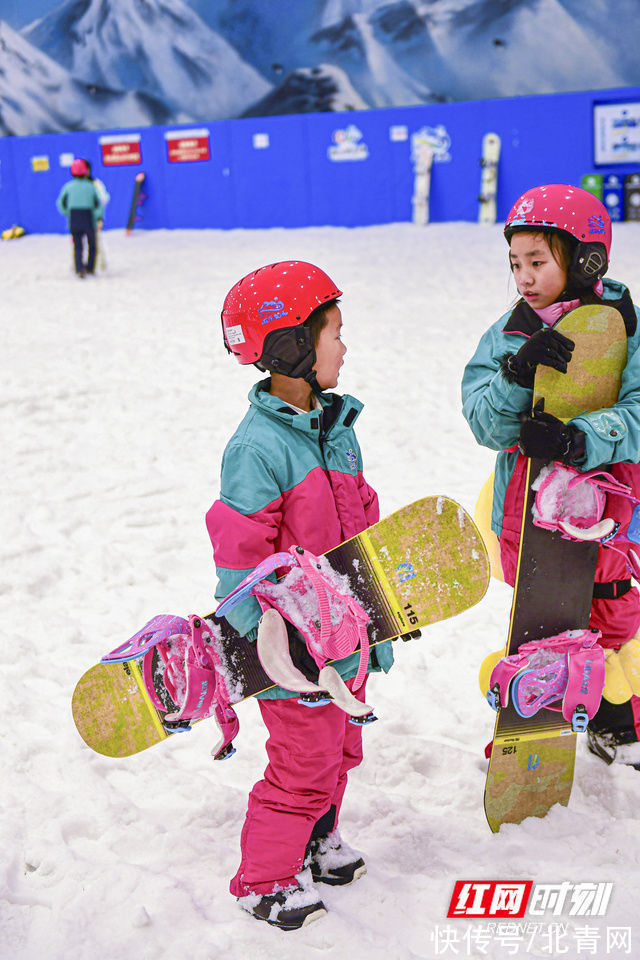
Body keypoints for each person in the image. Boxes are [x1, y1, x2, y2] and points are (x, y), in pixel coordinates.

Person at [206, 261, 393, 929]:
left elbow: (357, 533)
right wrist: (274, 653)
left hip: (345, 644)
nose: (344, 345)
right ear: (290, 347)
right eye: (333, 332)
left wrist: (377, 625)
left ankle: (317, 838)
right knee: (302, 764)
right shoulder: (256, 450)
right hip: (295, 656)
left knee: (341, 750)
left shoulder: (335, 429)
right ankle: (264, 879)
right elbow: (241, 568)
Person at [461, 183, 640, 767]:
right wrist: (518, 372)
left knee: (615, 611)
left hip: (608, 514)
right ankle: (529, 730)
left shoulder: (628, 328)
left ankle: (619, 721)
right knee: (546, 622)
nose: (524, 277)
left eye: (538, 261)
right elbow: (485, 424)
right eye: (515, 263)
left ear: (586, 258)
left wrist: (579, 438)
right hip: (529, 516)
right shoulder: (508, 332)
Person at [56, 159, 103, 278]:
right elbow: (98, 203)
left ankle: (79, 268)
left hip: (74, 218)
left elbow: (60, 203)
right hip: (88, 217)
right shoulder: (91, 186)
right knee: (92, 244)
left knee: (77, 246)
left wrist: (67, 213)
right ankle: (90, 268)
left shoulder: (68, 187)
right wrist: (98, 216)